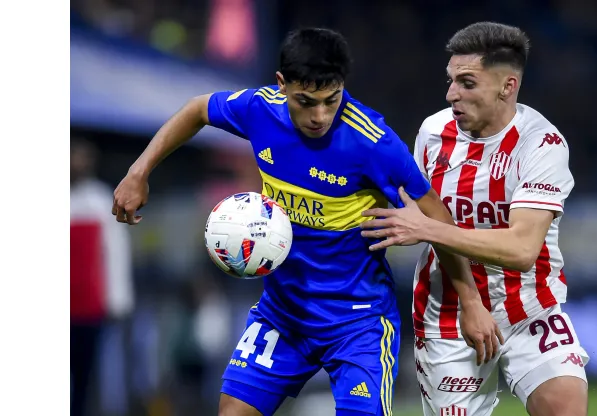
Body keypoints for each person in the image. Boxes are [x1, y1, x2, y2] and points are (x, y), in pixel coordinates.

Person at [110, 28, 500, 416]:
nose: (320, 116)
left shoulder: (373, 142)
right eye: (306, 101)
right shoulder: (259, 110)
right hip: (282, 314)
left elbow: (438, 215)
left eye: (331, 100)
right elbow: (197, 108)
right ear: (282, 85)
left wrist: (469, 300)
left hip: (357, 321)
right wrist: (138, 171)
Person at [360, 22, 589, 416]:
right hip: (446, 309)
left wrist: (426, 227)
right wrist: (469, 298)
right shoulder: (433, 133)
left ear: (508, 86)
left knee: (565, 406)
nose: (452, 95)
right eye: (450, 81)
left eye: (467, 83)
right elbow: (424, 214)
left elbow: (520, 249)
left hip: (529, 307)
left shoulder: (541, 144)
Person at [71, 138, 135, 416]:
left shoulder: (100, 200)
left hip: (88, 305)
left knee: (85, 373)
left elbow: (116, 253)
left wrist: (118, 300)